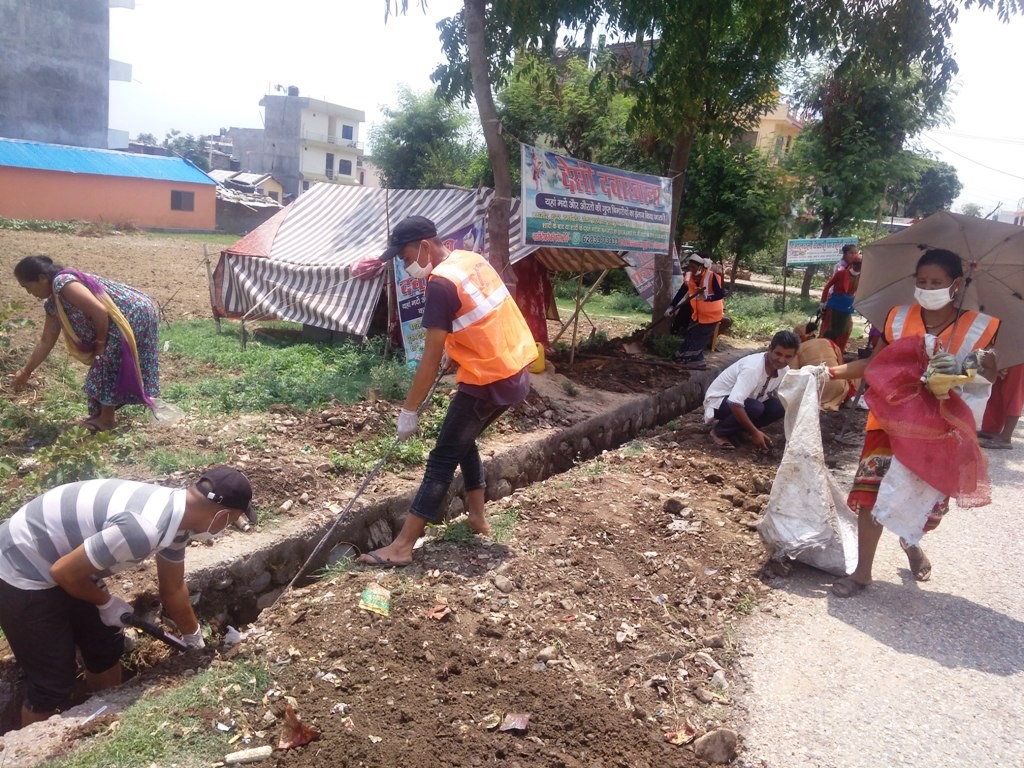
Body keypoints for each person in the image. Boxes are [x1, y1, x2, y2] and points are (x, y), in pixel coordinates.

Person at [0, 465, 256, 728]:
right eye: (232, 519)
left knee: (105, 647)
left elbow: (173, 588)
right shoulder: (143, 529)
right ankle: (27, 749)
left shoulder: (178, 519)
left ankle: (104, 719)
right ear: (222, 516)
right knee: (52, 684)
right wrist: (106, 603)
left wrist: (193, 638)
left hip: (64, 563)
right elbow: (63, 573)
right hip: (20, 569)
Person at [358, 216, 537, 567]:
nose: (405, 265)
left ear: (424, 246)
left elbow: (430, 354)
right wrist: (458, 352)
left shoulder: (440, 284)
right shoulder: (471, 260)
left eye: (406, 256)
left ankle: (402, 546)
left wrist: (409, 410)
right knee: (463, 441)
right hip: (513, 369)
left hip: (488, 379)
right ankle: (478, 517)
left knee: (442, 457)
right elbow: (481, 319)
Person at [827, 248, 999, 597]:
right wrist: (829, 371)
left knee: (925, 501)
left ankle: (910, 541)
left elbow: (991, 370)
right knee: (870, 488)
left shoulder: (978, 326)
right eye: (922, 281)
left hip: (939, 425)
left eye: (936, 282)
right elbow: (875, 364)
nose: (928, 287)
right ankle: (862, 573)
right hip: (888, 420)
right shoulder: (898, 318)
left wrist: (957, 370)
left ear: (956, 284)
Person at [12, 255, 160, 432]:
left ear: (42, 278)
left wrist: (100, 343)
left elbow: (99, 311)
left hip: (133, 312)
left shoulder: (63, 283)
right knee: (106, 362)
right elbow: (46, 340)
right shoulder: (53, 304)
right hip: (130, 313)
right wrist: (26, 371)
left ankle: (106, 420)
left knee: (105, 362)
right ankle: (100, 416)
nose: (29, 292)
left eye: (27, 286)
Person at [703, 330, 800, 451]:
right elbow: (734, 402)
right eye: (778, 354)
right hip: (719, 402)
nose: (781, 360)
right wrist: (754, 432)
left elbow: (783, 393)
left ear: (794, 356)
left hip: (747, 402)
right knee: (755, 408)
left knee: (779, 406)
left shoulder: (783, 370)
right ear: (770, 349)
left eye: (787, 356)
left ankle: (739, 430)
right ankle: (718, 432)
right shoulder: (753, 368)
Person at [665, 253, 725, 370]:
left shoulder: (711, 277)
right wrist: (671, 306)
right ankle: (696, 360)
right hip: (697, 314)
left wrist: (707, 297)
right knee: (691, 335)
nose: (691, 269)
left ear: (701, 266)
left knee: (698, 338)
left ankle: (690, 360)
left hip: (711, 315)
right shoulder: (688, 277)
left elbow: (720, 294)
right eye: (690, 267)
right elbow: (681, 292)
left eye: (694, 267)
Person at [792, 321, 853, 411]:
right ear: (813, 333)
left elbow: (794, 374)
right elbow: (841, 365)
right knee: (854, 374)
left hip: (813, 392)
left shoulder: (797, 349)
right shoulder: (829, 342)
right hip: (838, 388)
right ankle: (847, 399)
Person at [819, 244, 861, 353]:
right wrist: (823, 301)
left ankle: (838, 351)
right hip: (835, 304)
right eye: (851, 253)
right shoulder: (841, 270)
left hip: (847, 307)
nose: (853, 255)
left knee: (845, 329)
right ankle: (824, 350)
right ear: (845, 254)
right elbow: (829, 286)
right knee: (830, 329)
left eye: (855, 253)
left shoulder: (859, 275)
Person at [978, 364, 1024, 449]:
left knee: (1014, 392)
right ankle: (991, 430)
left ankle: (1006, 437)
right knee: (997, 388)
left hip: (1019, 355)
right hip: (1008, 353)